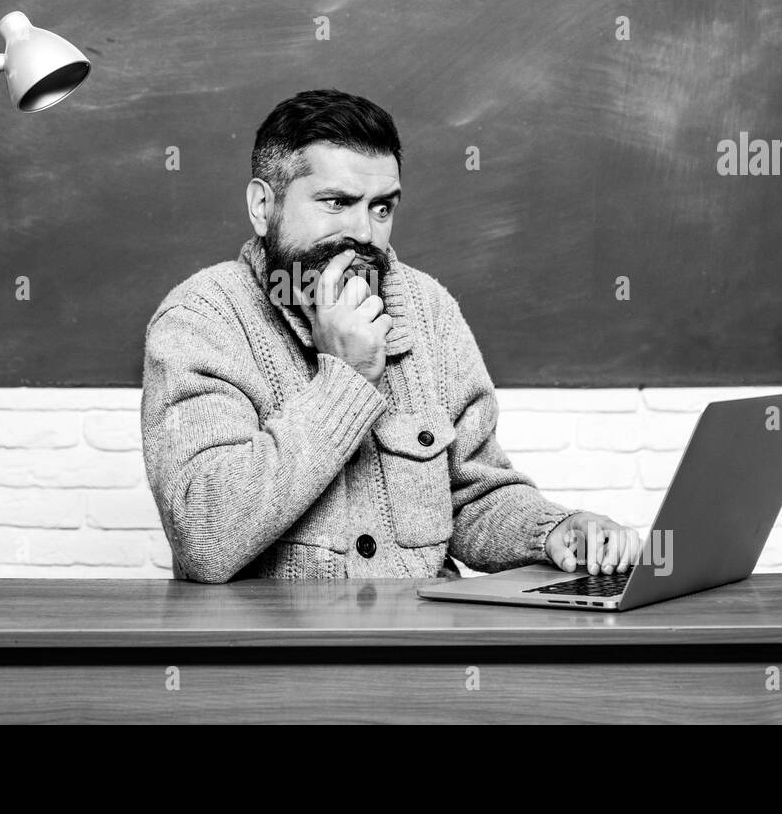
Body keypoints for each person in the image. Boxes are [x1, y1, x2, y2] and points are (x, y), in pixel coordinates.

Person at [141, 88, 641, 582]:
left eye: (382, 207)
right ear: (262, 205)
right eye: (336, 202)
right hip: (277, 655)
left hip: (424, 646)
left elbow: (472, 497)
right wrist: (347, 380)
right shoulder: (200, 320)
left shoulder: (430, 311)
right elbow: (205, 536)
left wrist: (554, 530)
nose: (364, 233)